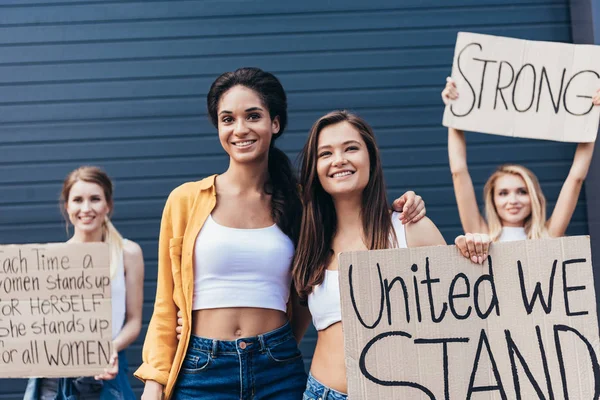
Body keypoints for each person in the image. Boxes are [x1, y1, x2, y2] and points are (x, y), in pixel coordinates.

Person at [137, 67, 426, 400]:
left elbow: (318, 272)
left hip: (277, 366)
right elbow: (165, 303)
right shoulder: (185, 200)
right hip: (202, 369)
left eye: (253, 116)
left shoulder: (300, 203)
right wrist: (154, 383)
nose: (240, 129)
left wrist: (407, 206)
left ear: (274, 123)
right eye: (227, 119)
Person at [291, 110, 487, 400]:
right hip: (324, 394)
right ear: (315, 168)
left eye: (351, 148)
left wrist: (476, 254)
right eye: (325, 153)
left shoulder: (410, 229)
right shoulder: (310, 243)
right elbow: (289, 335)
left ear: (371, 157)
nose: (339, 160)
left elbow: (465, 317)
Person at [24, 166, 144, 400]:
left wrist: (111, 347)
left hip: (106, 369)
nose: (86, 208)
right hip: (55, 377)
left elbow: (134, 321)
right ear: (67, 206)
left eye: (95, 199)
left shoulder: (128, 253)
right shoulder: (50, 256)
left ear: (108, 204)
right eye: (78, 200)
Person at [443, 78, 600, 248]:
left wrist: (594, 112)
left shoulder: (548, 236)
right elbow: (458, 171)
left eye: (522, 191)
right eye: (503, 193)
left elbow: (576, 178)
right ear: (492, 200)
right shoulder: (482, 236)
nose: (513, 200)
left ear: (534, 197)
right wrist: (454, 110)